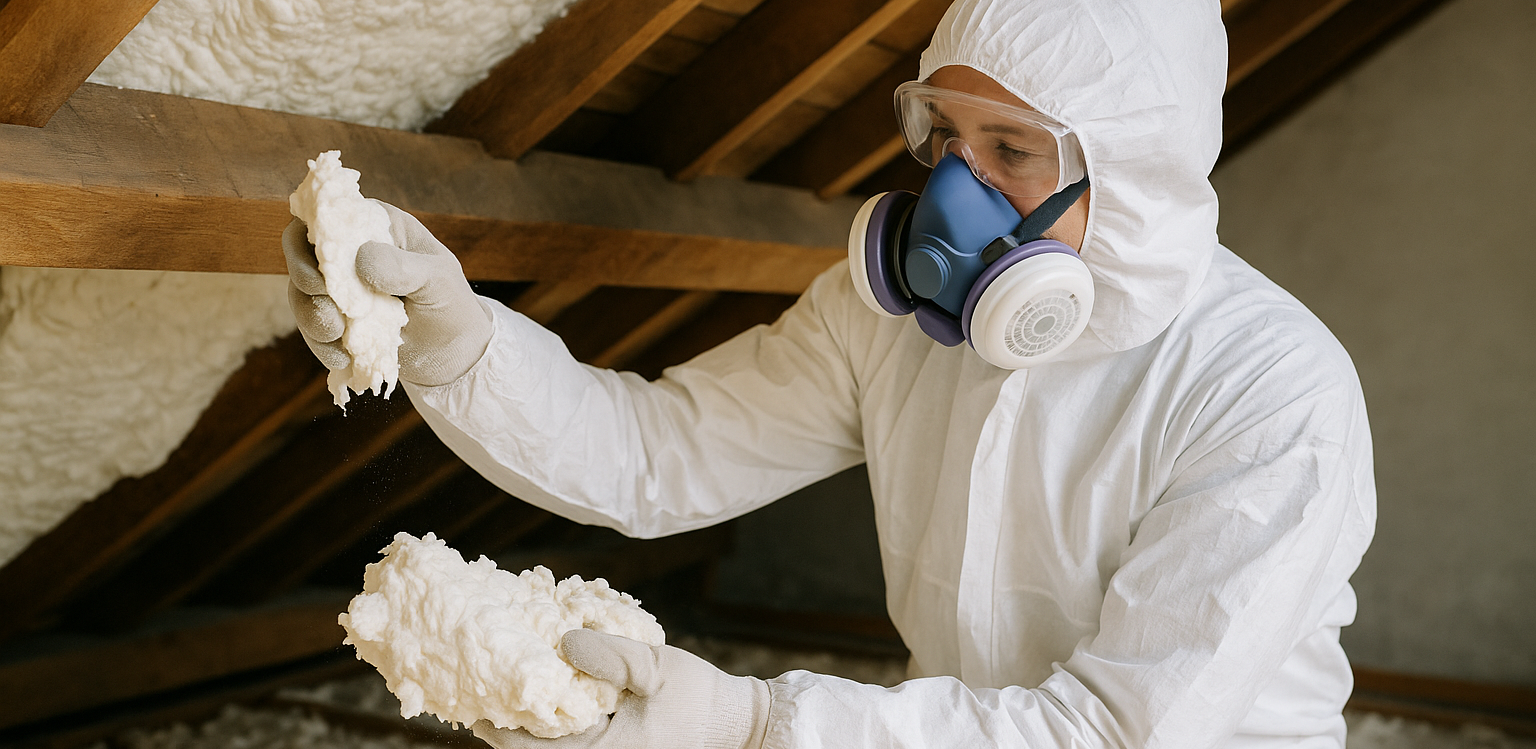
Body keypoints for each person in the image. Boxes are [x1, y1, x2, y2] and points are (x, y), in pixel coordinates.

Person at [284, 0, 1376, 746]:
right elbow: (657, 455)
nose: (957, 190)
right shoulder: (889, 320)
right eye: (945, 133)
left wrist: (755, 724)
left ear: (1133, 173)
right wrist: (456, 339)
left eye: (1014, 150)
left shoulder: (1270, 392)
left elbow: (1105, 732)